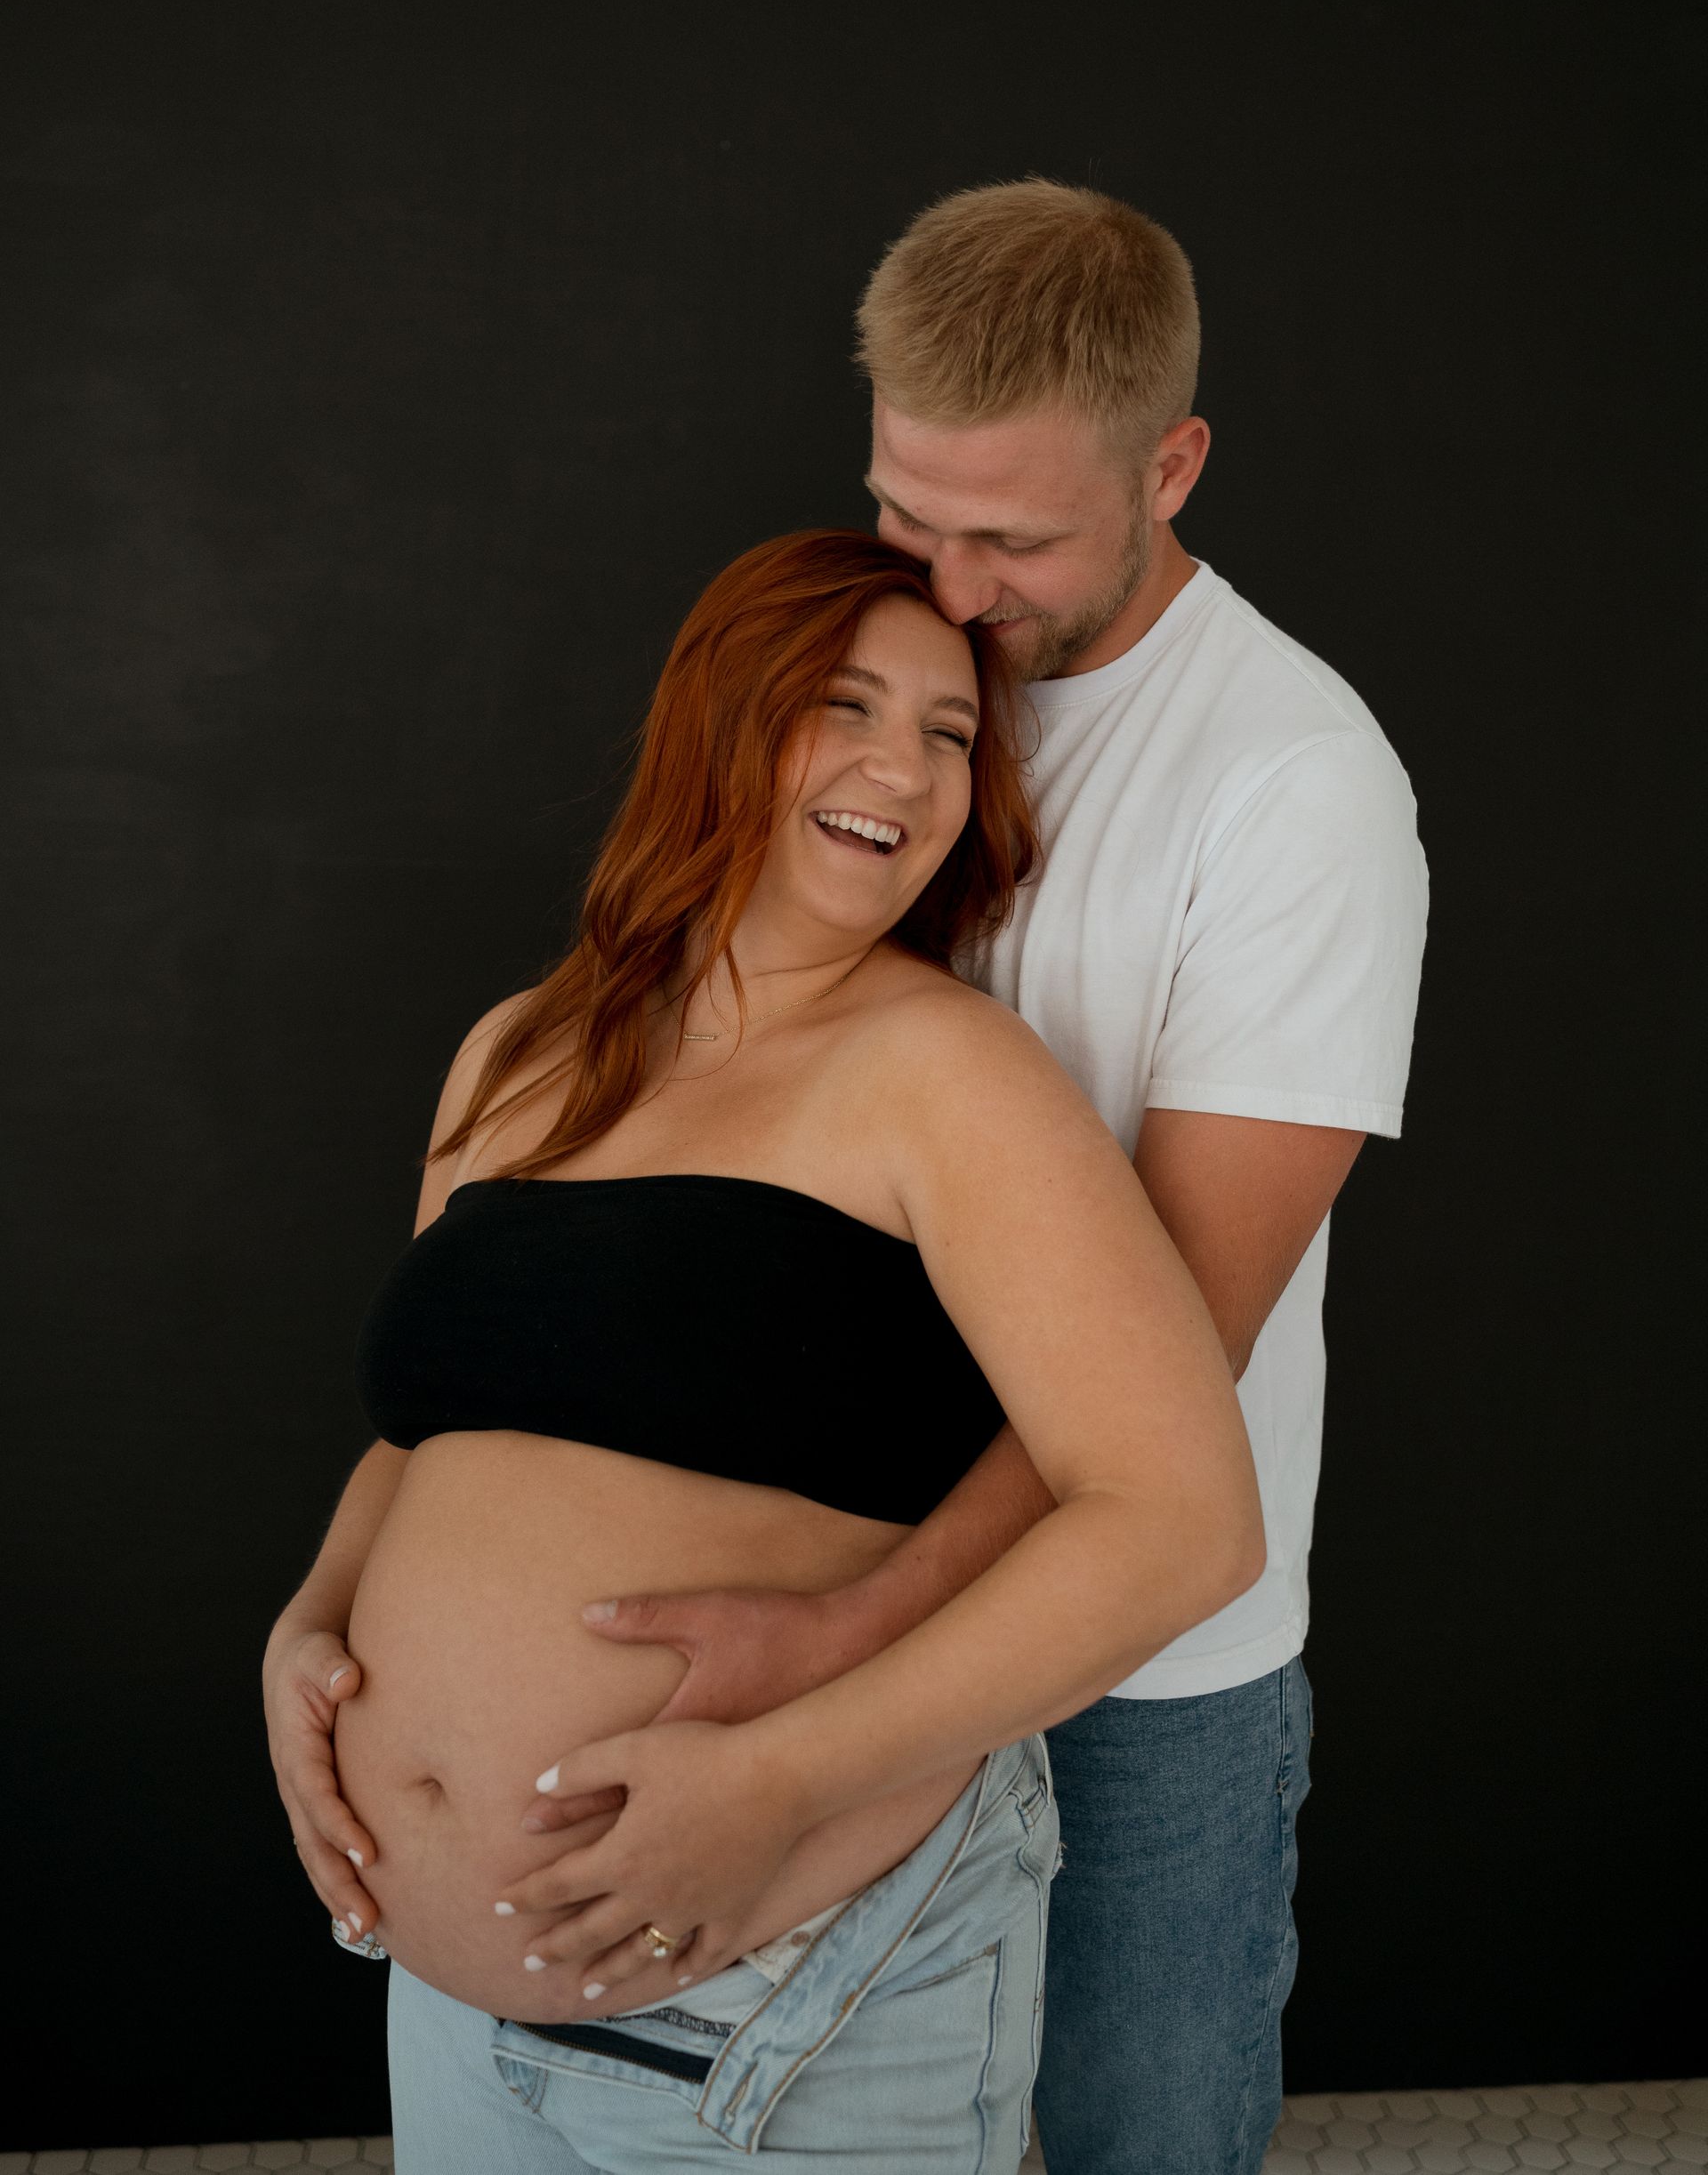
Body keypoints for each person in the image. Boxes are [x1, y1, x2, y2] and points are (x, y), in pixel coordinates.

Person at [538, 183, 1430, 2173]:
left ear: (1172, 463)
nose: (940, 589)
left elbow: (1171, 1344)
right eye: (905, 512)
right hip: (817, 1595)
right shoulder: (880, 674)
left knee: (1132, 2146)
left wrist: (855, 1649)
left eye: (1007, 539)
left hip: (1134, 1679)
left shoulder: (1293, 789)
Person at [264, 528, 1264, 2172]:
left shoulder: (947, 1073)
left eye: (950, 732)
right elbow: (431, 1429)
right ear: (721, 719)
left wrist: (786, 1779)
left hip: (778, 2000)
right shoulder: (523, 1048)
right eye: (846, 704)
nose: (907, 766)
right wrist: (310, 1626)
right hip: (448, 2005)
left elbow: (1181, 1522)